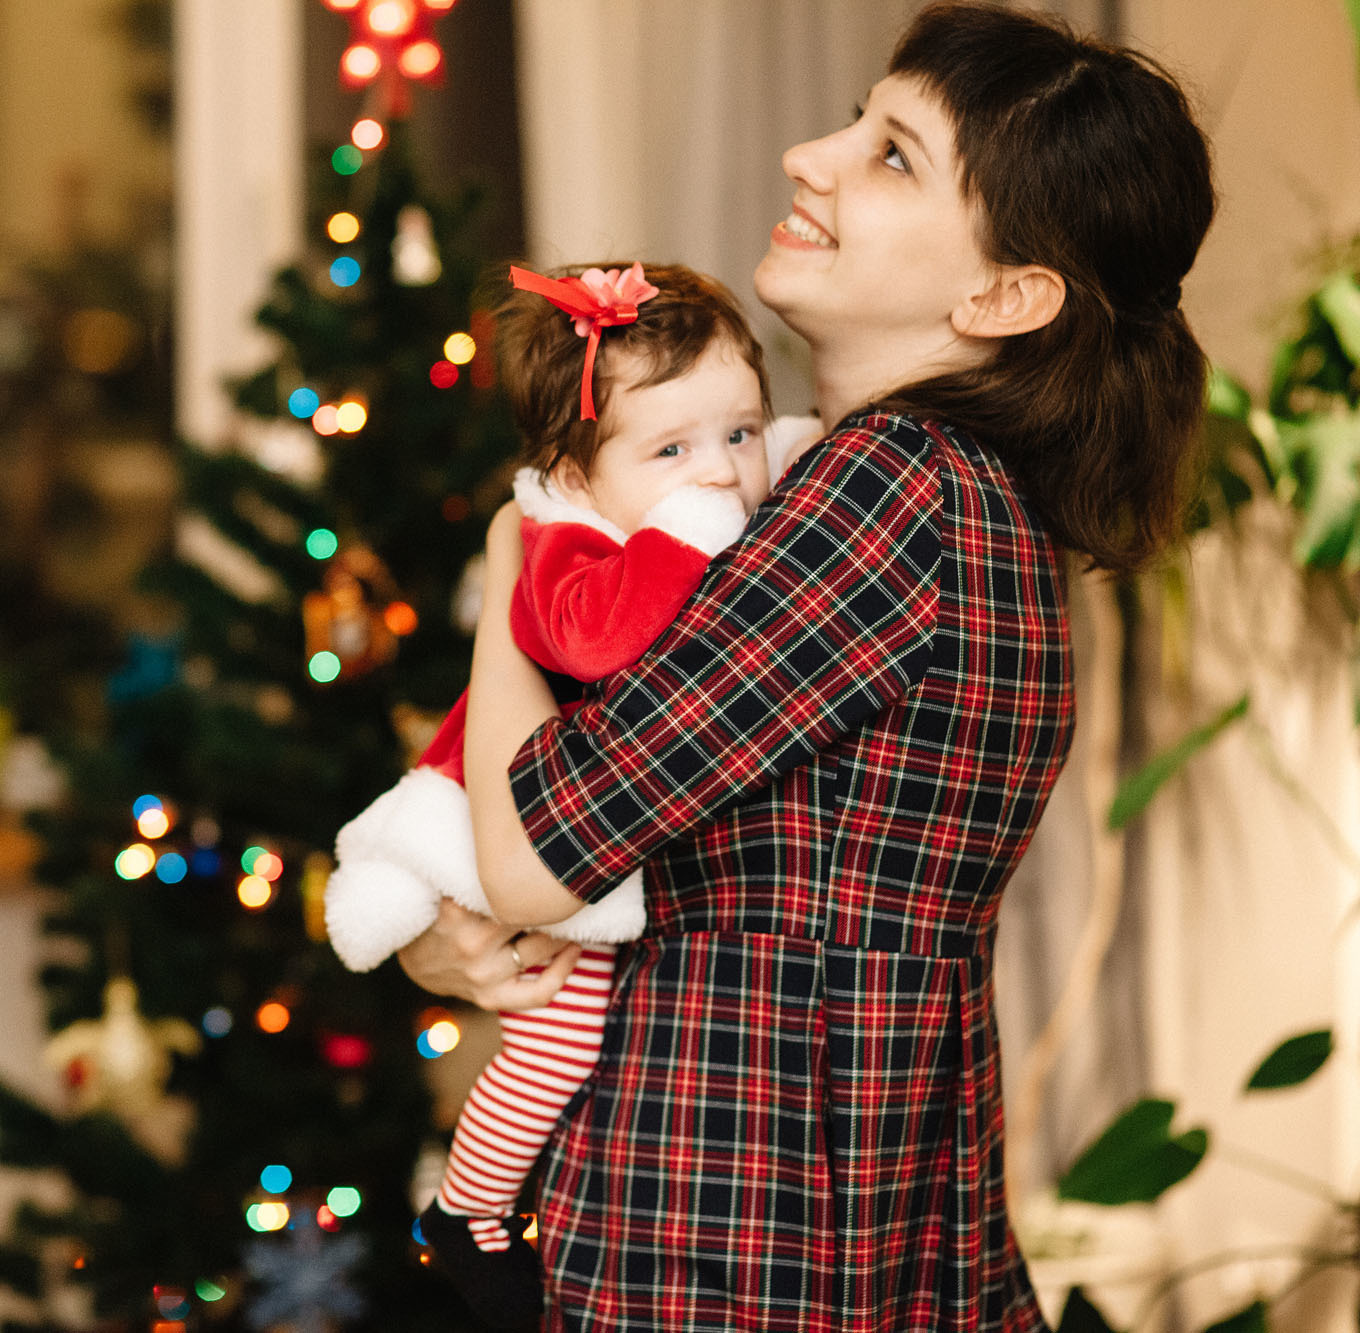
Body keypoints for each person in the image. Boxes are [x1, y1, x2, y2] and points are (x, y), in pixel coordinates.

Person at [397, 4, 1214, 1329]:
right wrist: (465, 941)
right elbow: (617, 861)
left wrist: (515, 545)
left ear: (1002, 296)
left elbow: (540, 849)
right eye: (853, 120)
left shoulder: (890, 488)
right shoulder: (910, 493)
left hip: (737, 1231)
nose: (807, 157)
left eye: (890, 154)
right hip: (842, 1212)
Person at [322, 261, 816, 1326]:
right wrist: (678, 536)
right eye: (671, 450)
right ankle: (470, 1207)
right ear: (578, 476)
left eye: (740, 433)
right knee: (560, 1035)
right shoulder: (571, 539)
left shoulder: (716, 495)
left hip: (573, 825)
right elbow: (589, 639)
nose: (718, 473)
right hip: (498, 814)